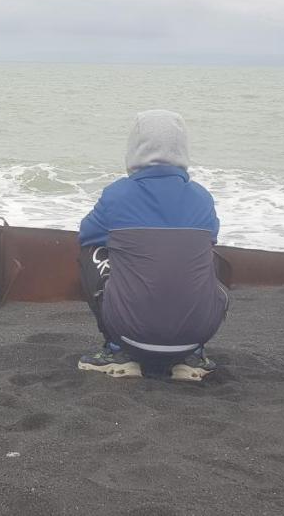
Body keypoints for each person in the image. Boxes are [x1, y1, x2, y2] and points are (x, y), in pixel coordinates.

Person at [76, 109, 229, 382]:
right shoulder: (202, 198)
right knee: (205, 255)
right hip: (195, 334)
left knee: (92, 253)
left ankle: (116, 351)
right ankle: (192, 357)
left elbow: (86, 236)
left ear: (134, 147)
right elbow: (210, 239)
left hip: (131, 334)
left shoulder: (118, 195)